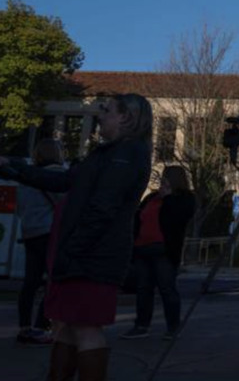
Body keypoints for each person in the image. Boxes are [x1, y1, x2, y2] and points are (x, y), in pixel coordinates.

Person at [0, 93, 153, 381]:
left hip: (93, 256)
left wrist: (74, 249)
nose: (100, 116)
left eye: (106, 110)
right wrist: (12, 167)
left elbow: (102, 208)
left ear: (126, 117)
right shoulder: (108, 153)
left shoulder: (128, 154)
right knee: (67, 325)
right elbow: (62, 180)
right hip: (82, 252)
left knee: (85, 327)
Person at [121, 165, 195, 340]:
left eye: (166, 177)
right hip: (142, 247)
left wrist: (168, 198)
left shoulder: (183, 198)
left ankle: (173, 326)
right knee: (143, 288)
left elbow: (179, 219)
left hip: (163, 249)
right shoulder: (152, 197)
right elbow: (138, 217)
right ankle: (141, 324)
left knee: (166, 288)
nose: (163, 180)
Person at [13, 138, 66, 345]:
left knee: (30, 281)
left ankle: (25, 327)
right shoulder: (59, 175)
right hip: (50, 231)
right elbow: (64, 203)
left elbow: (19, 208)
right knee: (53, 280)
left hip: (30, 232)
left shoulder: (25, 178)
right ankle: (41, 324)